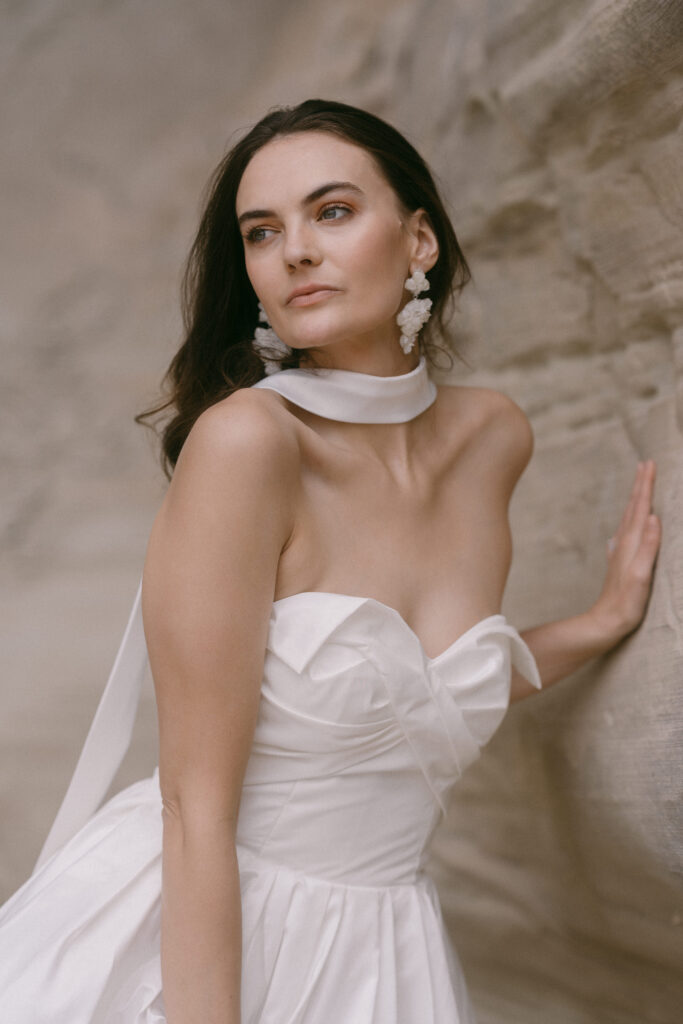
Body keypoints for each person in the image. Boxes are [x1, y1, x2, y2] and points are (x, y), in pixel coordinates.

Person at [0, 99, 660, 1024]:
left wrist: (598, 623)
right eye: (261, 232)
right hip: (202, 937)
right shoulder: (246, 448)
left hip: (386, 959)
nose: (295, 251)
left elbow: (414, 704)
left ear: (419, 239)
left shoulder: (491, 437)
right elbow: (196, 812)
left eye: (333, 211)